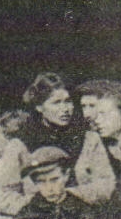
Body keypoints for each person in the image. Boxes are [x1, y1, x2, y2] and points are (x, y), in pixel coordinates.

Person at [19, 73, 114, 205]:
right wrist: (38, 203)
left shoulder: (88, 139)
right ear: (39, 107)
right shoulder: (21, 143)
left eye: (68, 102)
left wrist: (69, 195)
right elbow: (5, 196)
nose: (65, 109)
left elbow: (107, 185)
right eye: (56, 103)